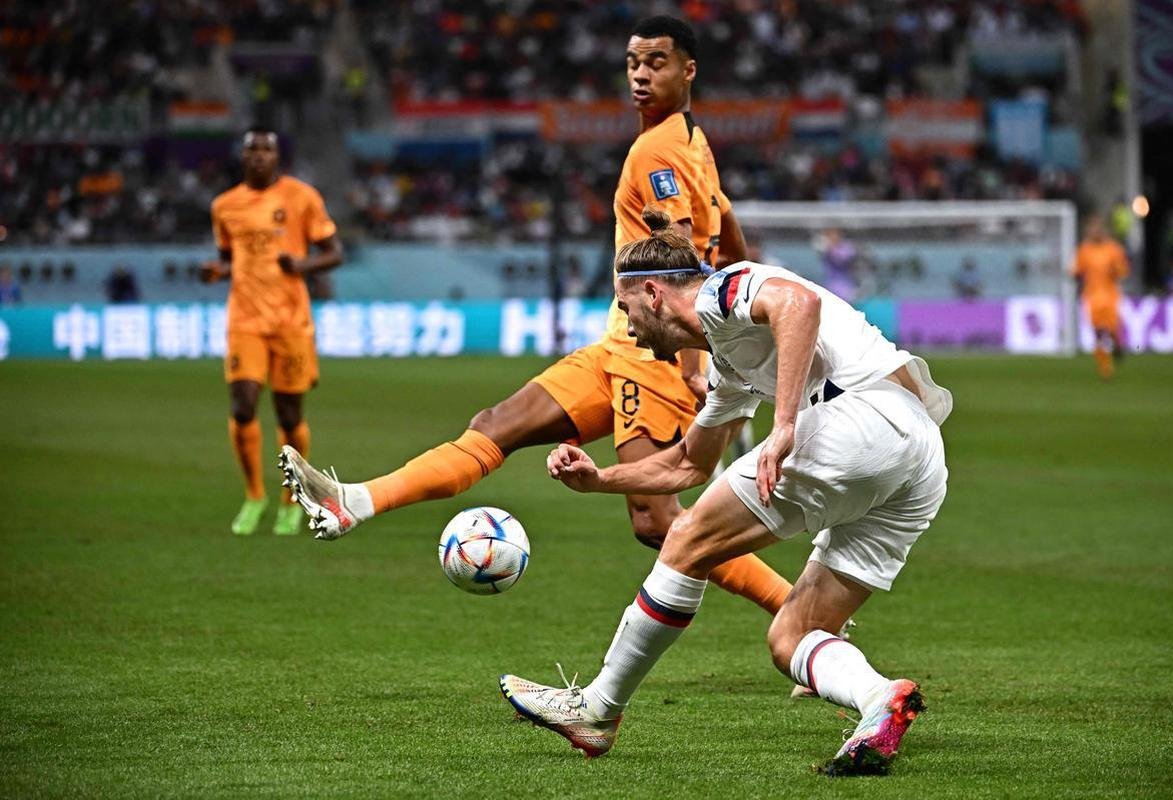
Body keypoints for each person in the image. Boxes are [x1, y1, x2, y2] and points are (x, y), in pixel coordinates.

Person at [280, 17, 793, 619]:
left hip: (653, 356)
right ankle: (354, 502)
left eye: (657, 61)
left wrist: (689, 359)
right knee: (495, 424)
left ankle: (798, 608)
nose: (640, 74)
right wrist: (726, 310)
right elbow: (728, 242)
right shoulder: (691, 143)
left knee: (657, 523)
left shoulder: (657, 150)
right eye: (633, 62)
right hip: (618, 345)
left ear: (689, 70)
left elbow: (677, 261)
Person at [500, 208, 952, 776]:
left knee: (686, 538)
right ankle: (879, 700)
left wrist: (783, 423)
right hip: (919, 457)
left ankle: (597, 709)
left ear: (654, 294)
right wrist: (599, 480)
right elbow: (690, 463)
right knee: (793, 637)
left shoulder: (723, 290)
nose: (627, 327)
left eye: (625, 308)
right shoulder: (729, 361)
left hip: (861, 422)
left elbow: (799, 305)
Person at [204, 128, 343, 535]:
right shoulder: (225, 206)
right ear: (243, 157)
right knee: (243, 404)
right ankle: (254, 496)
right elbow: (234, 258)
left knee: (289, 413)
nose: (260, 156)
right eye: (253, 150)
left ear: (277, 156)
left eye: (267, 149)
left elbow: (335, 253)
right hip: (244, 321)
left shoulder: (302, 198)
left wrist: (302, 266)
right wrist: (218, 271)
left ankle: (291, 500)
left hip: (291, 323)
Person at [1072, 214, 1129, 380]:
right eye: (1092, 229)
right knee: (1098, 332)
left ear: (1104, 230)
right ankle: (1105, 367)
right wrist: (1074, 274)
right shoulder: (1084, 250)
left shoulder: (1113, 249)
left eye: (1098, 228)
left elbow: (1123, 271)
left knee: (1110, 329)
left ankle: (1117, 345)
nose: (1095, 232)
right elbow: (1077, 271)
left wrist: (1115, 270)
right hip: (1092, 296)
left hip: (1111, 295)